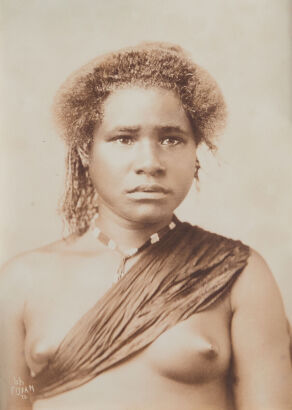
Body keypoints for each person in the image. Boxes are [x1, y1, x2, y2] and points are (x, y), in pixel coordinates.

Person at [0, 42, 291, 410]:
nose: (150, 162)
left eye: (171, 139)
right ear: (86, 151)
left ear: (195, 152)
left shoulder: (239, 274)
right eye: (124, 139)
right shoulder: (20, 282)